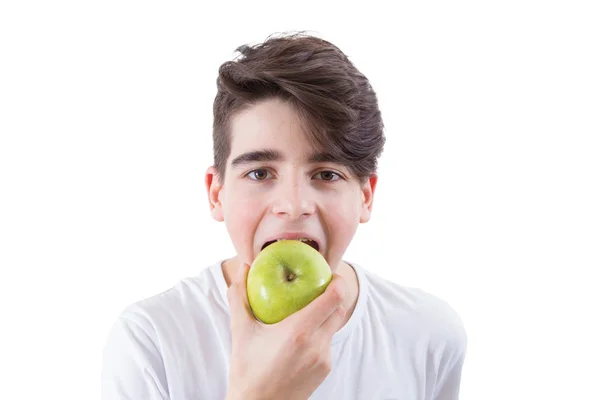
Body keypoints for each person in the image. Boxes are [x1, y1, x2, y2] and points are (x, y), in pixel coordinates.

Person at [101, 32, 468, 400]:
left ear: (366, 196)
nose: (293, 206)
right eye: (260, 173)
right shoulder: (151, 342)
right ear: (217, 193)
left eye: (326, 174)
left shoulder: (429, 336)